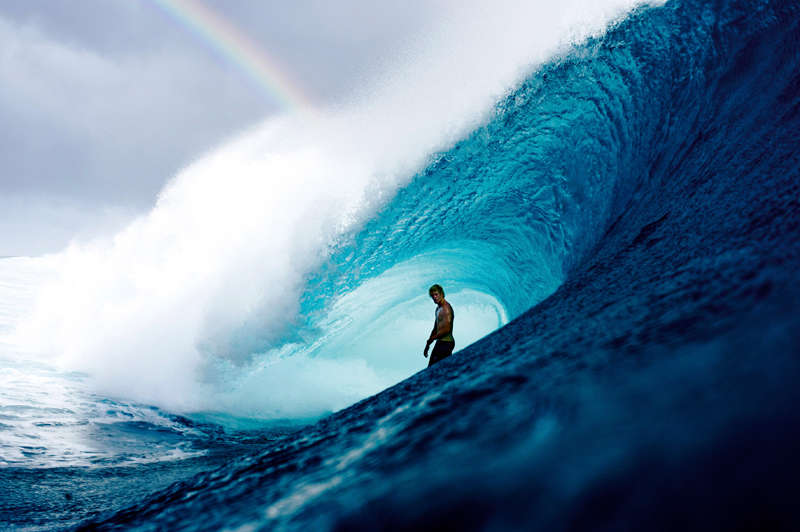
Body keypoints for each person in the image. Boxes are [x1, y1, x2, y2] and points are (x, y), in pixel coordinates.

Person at [424, 284, 455, 367]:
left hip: (446, 343)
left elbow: (447, 329)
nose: (434, 297)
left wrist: (433, 338)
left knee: (433, 369)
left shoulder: (446, 308)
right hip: (440, 343)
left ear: (441, 294)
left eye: (436, 294)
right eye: (432, 295)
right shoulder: (438, 308)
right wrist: (428, 344)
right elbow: (435, 329)